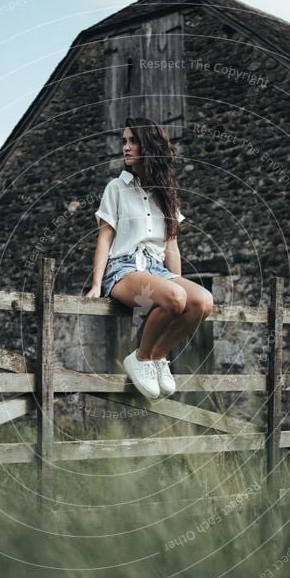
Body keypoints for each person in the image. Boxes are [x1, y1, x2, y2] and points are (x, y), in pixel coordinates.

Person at [85, 117, 213, 400]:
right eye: (124, 141)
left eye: (133, 141)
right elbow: (105, 237)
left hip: (157, 270)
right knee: (175, 298)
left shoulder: (167, 195)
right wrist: (96, 285)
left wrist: (177, 279)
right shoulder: (115, 188)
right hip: (123, 268)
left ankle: (157, 356)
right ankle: (141, 358)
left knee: (203, 302)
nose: (126, 148)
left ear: (149, 145)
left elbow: (171, 247)